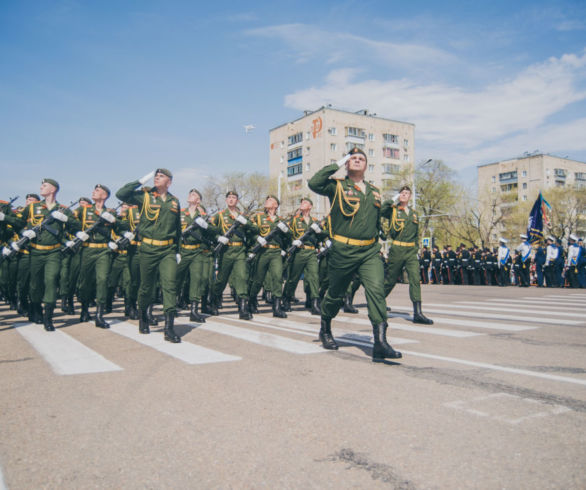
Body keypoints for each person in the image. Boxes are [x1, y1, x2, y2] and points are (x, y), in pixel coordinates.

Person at [308, 147, 401, 361]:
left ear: (367, 165)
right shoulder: (337, 186)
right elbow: (314, 183)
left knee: (376, 290)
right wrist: (339, 162)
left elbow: (379, 218)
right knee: (336, 293)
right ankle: (325, 327)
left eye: (361, 159)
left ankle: (380, 342)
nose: (357, 161)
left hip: (369, 250)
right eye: (353, 158)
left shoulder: (374, 191)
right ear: (347, 164)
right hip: (343, 250)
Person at [5, 179, 80, 330]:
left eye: (44, 185)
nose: (41, 187)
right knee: (35, 285)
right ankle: (36, 308)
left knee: (51, 281)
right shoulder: (33, 207)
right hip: (35, 252)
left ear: (53, 189)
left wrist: (66, 219)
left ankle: (48, 316)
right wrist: (23, 232)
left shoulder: (63, 209)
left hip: (54, 252)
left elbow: (77, 227)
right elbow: (18, 224)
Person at [116, 169, 182, 343]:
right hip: (148, 249)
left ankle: (169, 328)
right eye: (155, 176)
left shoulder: (174, 202)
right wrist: (140, 181)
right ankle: (143, 315)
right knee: (146, 287)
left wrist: (177, 251)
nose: (156, 178)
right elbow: (121, 194)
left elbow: (178, 230)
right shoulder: (144, 196)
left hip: (167, 250)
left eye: (161, 176)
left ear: (169, 182)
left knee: (169, 285)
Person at [381, 185, 433, 324]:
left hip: (411, 252)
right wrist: (393, 199)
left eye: (407, 193)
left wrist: (416, 249)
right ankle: (378, 303)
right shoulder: (392, 210)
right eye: (402, 193)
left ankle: (418, 313)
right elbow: (381, 210)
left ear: (410, 196)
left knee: (415, 280)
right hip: (397, 250)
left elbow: (416, 234)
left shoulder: (414, 214)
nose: (404, 195)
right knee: (390, 280)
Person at [72, 184, 120, 328]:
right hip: (87, 249)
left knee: (102, 280)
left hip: (104, 251)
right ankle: (84, 309)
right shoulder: (83, 209)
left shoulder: (110, 212)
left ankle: (99, 315)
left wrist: (114, 225)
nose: (94, 191)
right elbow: (70, 222)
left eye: (98, 190)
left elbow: (120, 228)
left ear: (105, 195)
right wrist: (77, 233)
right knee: (85, 282)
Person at [208, 191, 255, 319]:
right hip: (226, 251)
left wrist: (245, 222)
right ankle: (213, 301)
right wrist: (218, 238)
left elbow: (254, 230)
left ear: (237, 201)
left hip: (240, 250)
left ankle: (243, 308)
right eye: (229, 197)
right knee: (222, 279)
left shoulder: (242, 216)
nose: (231, 199)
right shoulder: (220, 216)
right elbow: (211, 230)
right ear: (226, 200)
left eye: (234, 197)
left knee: (241, 278)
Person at [176, 188, 215, 323]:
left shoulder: (204, 215)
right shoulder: (180, 213)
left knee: (196, 280)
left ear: (198, 200)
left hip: (197, 251)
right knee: (176, 278)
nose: (191, 195)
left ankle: (194, 310)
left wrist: (205, 226)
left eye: (194, 194)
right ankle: (172, 305)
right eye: (190, 193)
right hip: (182, 251)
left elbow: (215, 231)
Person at [248, 195, 290, 318]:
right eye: (267, 200)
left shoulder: (281, 220)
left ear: (276, 205)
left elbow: (290, 237)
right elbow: (250, 232)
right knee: (258, 279)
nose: (267, 201)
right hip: (262, 252)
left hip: (276, 252)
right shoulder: (258, 217)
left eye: (271, 200)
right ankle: (252, 300)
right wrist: (257, 238)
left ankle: (276, 307)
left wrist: (286, 231)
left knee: (277, 278)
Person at [282, 198, 322, 315]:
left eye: (305, 203)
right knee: (293, 278)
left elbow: (322, 236)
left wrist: (320, 231)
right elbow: (286, 234)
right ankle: (286, 299)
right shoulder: (294, 220)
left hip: (311, 253)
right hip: (299, 252)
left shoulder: (315, 221)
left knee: (314, 277)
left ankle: (315, 303)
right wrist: (293, 241)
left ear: (310, 206)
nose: (302, 204)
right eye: (301, 203)